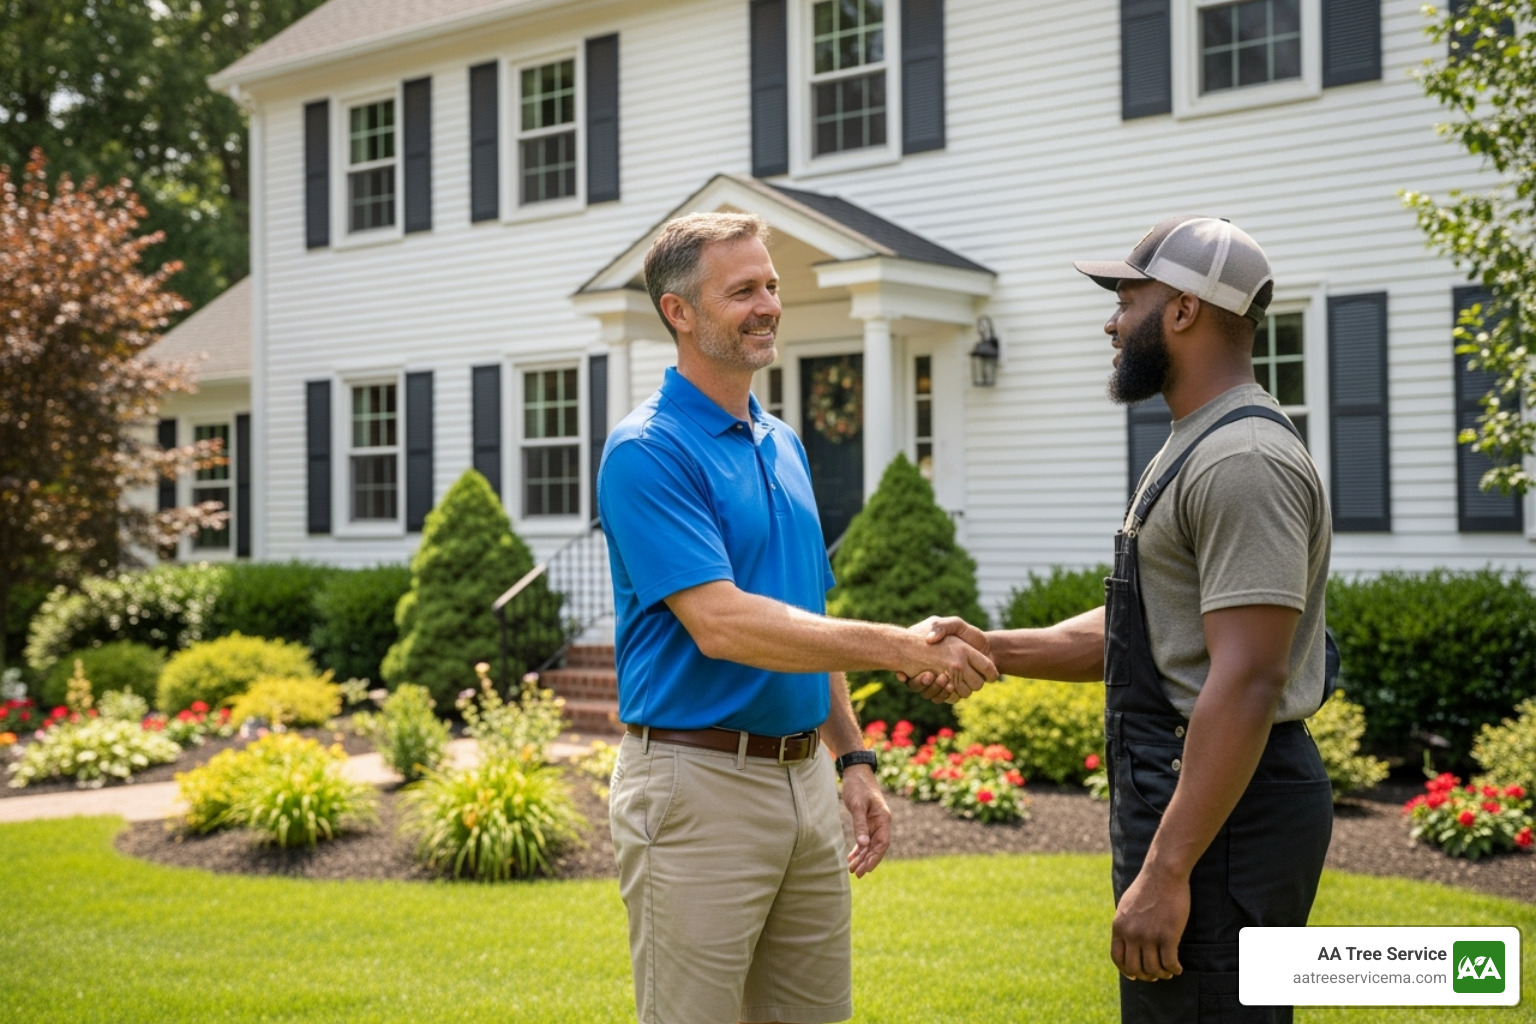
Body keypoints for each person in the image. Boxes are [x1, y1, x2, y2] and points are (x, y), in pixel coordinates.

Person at [913, 216, 1334, 1023]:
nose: (1111, 320)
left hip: (1227, 820)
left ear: (1182, 310)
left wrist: (1167, 871)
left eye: (1126, 298)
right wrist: (989, 646)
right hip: (1198, 800)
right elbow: (1148, 631)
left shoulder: (1243, 461)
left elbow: (1246, 679)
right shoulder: (1198, 442)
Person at [597, 211, 997, 1024]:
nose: (768, 305)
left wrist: (852, 760)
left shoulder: (782, 444)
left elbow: (804, 617)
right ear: (680, 312)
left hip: (804, 782)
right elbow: (725, 622)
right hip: (696, 784)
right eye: (742, 290)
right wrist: (898, 644)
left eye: (772, 286)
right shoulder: (649, 450)